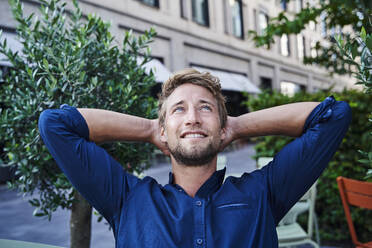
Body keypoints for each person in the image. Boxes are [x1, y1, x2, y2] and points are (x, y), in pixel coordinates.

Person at [38, 68, 351, 247]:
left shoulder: (264, 193)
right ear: (164, 130)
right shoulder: (127, 198)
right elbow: (55, 124)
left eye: (206, 108)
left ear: (222, 126)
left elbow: (334, 115)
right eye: (179, 109)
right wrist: (150, 129)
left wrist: (238, 125)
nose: (192, 119)